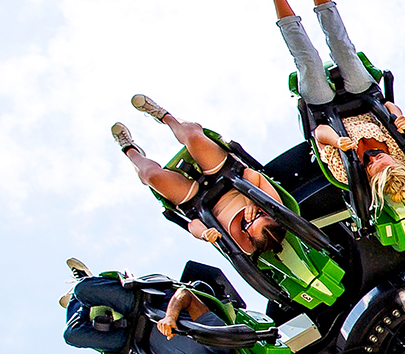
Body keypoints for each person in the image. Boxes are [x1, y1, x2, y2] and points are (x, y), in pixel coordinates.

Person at [259, 0, 405, 220]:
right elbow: (389, 107)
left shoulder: (347, 172)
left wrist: (338, 141)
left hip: (325, 110)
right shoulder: (400, 153)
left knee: (308, 58)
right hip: (363, 97)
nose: (375, 158)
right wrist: (398, 117)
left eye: (372, 165)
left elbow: (318, 134)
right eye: (382, 160)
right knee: (343, 46)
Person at [111, 99, 282, 255]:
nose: (251, 217)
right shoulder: (273, 209)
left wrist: (205, 234)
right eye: (258, 216)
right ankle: (164, 116)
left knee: (152, 176)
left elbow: (192, 225)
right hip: (226, 175)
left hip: (196, 200)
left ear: (248, 237)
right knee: (194, 137)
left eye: (249, 224)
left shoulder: (242, 245)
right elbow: (252, 174)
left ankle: (129, 149)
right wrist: (252, 202)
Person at [61, 265, 247, 354]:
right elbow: (186, 295)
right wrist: (171, 317)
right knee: (82, 288)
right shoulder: (218, 339)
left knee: (72, 335)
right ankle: (86, 287)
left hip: (132, 340)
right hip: (146, 307)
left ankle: (81, 303)